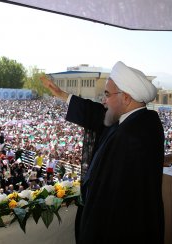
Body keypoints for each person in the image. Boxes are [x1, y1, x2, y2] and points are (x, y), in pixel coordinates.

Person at [41, 61, 164, 244]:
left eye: (107, 94)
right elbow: (99, 115)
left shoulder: (132, 135)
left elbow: (111, 200)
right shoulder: (139, 120)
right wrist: (63, 96)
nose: (103, 100)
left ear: (126, 98)